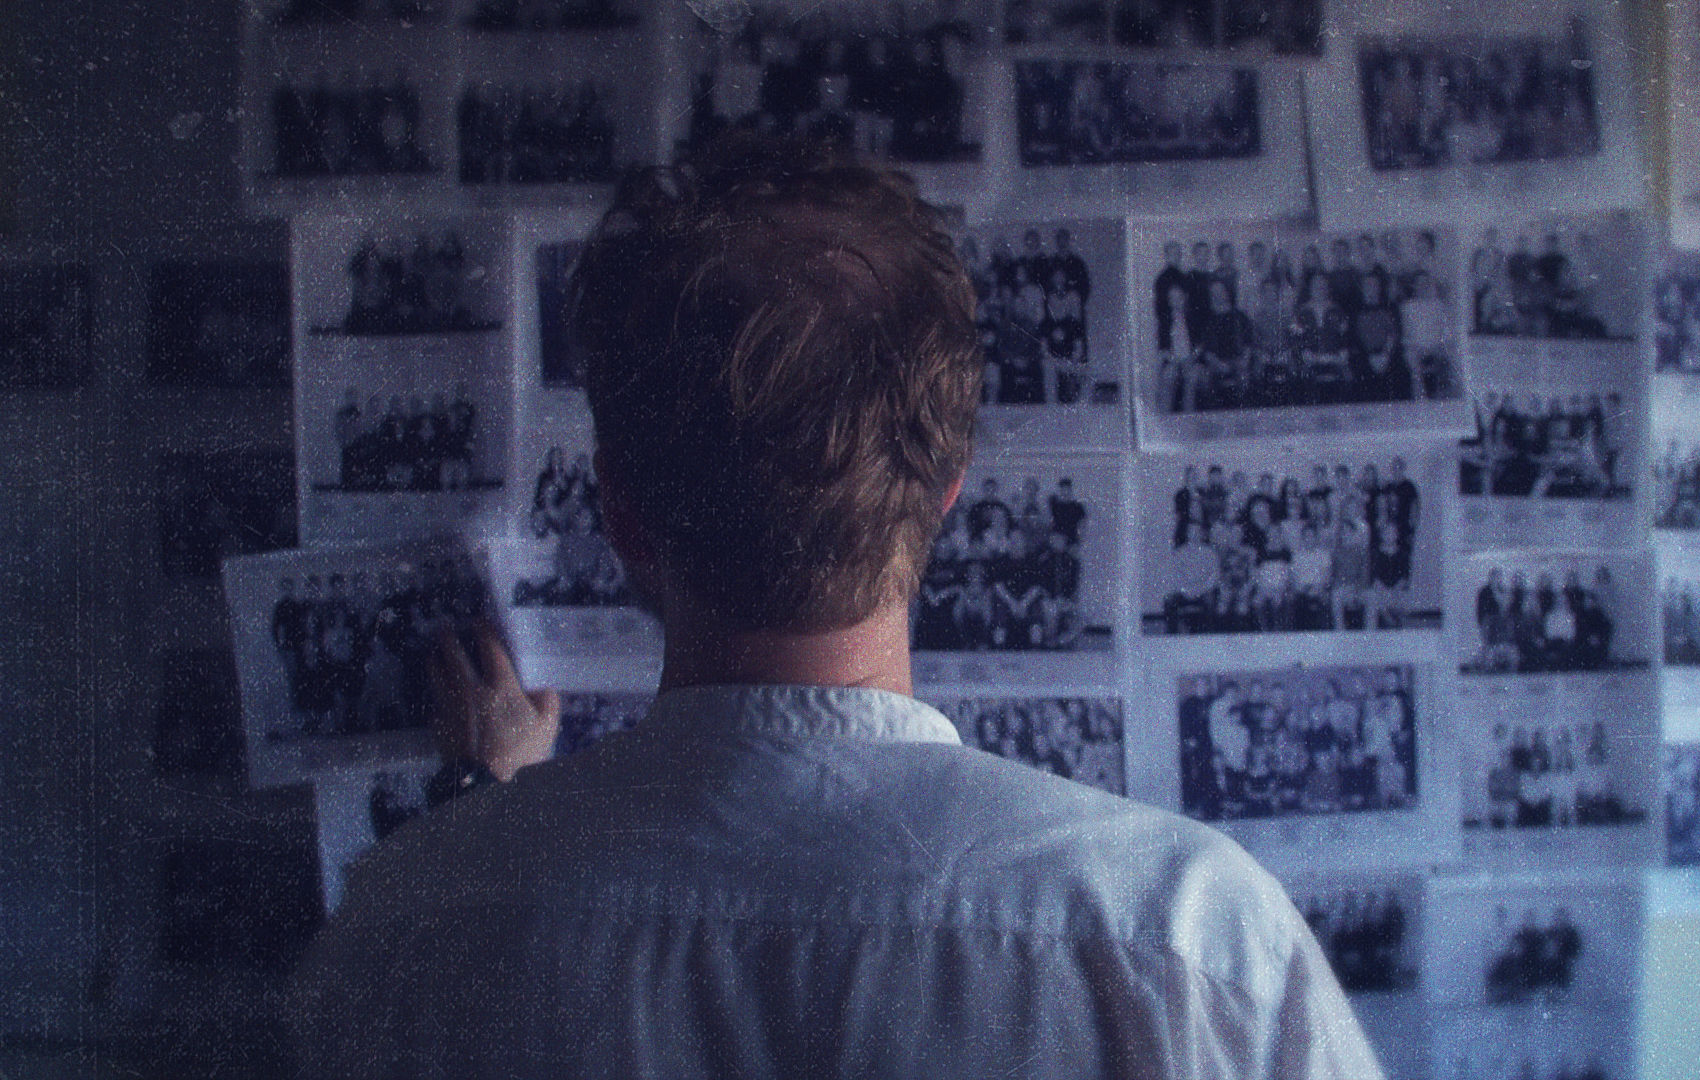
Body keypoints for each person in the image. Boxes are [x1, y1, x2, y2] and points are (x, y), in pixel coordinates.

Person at [288, 134, 1378, 1079]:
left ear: (619, 512)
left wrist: (484, 802)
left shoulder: (406, 922)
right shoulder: (1192, 940)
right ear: (944, 492)